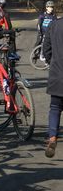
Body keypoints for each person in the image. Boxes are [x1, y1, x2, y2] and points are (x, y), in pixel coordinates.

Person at [42, 16, 63, 157]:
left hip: (58, 73)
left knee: (55, 108)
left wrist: (53, 62)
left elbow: (46, 49)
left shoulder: (54, 25)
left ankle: (52, 137)